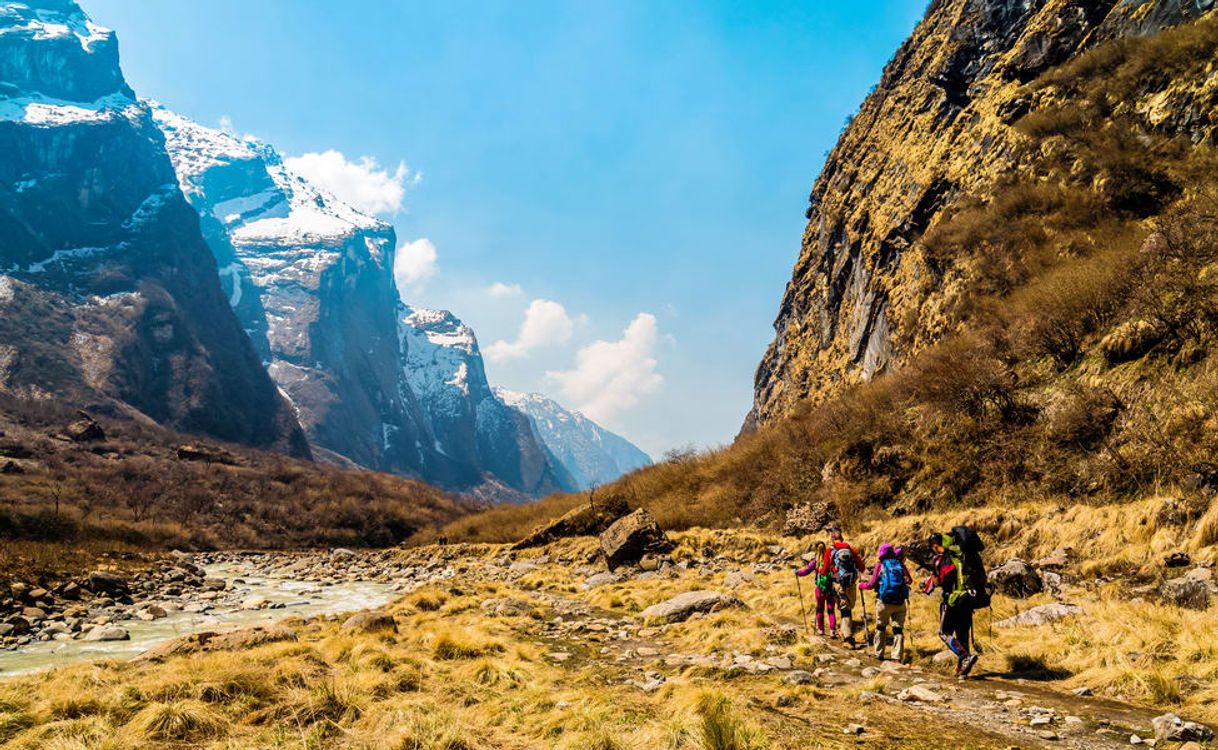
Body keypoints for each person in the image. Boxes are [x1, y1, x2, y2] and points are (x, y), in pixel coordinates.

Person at [924, 532, 979, 678]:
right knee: (962, 634)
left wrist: (935, 580)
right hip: (969, 598)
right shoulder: (963, 556)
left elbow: (942, 581)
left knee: (944, 632)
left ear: (935, 546)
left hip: (953, 599)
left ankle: (965, 656)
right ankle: (962, 671)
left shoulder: (945, 559)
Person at [859, 542, 912, 661]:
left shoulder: (880, 565)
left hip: (884, 601)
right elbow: (910, 581)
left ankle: (879, 653)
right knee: (898, 629)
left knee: (880, 627)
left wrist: (862, 585)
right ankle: (897, 656)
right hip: (900, 602)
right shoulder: (900, 564)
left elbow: (871, 584)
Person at [825, 528, 865, 647]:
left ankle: (848, 638)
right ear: (841, 538)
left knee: (844, 609)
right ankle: (846, 632)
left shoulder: (830, 550)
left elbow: (825, 569)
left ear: (832, 539)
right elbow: (861, 567)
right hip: (851, 582)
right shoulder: (850, 549)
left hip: (838, 582)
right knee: (847, 607)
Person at [795, 541, 837, 637]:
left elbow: (805, 571)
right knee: (831, 609)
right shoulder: (830, 560)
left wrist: (796, 572)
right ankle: (832, 630)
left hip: (820, 589)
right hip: (830, 588)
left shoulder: (816, 561)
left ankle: (821, 629)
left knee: (820, 608)